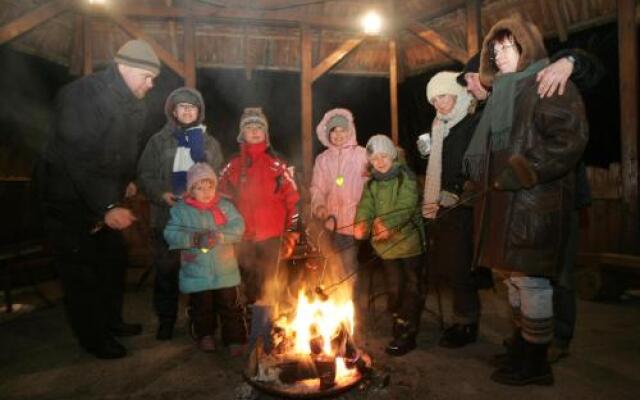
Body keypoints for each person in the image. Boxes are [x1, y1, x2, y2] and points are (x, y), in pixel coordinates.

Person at [463, 17, 588, 385]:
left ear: (526, 47)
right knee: (514, 283)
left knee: (533, 284)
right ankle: (521, 346)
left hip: (533, 202)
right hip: (503, 205)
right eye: (495, 50)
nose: (500, 56)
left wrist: (526, 170)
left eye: (508, 48)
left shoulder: (548, 84)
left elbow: (569, 139)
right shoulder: (505, 93)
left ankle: (537, 362)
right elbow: (493, 150)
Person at [38, 39, 160, 359]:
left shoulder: (134, 104)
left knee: (111, 263)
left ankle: (112, 322)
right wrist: (107, 205)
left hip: (104, 198)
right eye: (147, 76)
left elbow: (119, 153)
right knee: (82, 274)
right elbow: (78, 156)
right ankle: (93, 338)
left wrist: (126, 183)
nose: (151, 84)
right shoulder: (83, 95)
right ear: (126, 67)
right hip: (68, 202)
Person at [137, 87, 224, 341]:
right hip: (167, 217)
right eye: (182, 106)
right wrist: (161, 194)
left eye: (192, 107)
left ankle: (201, 323)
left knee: (200, 274)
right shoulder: (158, 141)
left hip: (200, 220)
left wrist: (204, 197)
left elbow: (218, 176)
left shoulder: (209, 143)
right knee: (166, 273)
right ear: (173, 111)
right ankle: (166, 320)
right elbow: (145, 175)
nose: (187, 110)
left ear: (199, 112)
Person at [419, 71, 480, 348]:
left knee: (461, 267)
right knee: (451, 266)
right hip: (444, 205)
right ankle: (461, 319)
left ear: (456, 93)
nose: (439, 104)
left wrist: (457, 190)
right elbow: (438, 165)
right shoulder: (440, 126)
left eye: (442, 96)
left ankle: (467, 324)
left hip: (465, 207)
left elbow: (477, 165)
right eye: (433, 100)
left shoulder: (471, 122)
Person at [218, 107, 300, 308]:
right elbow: (220, 200)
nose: (254, 131)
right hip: (243, 238)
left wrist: (292, 232)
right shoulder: (232, 165)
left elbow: (294, 201)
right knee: (249, 287)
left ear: (266, 133)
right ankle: (252, 330)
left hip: (273, 237)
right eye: (249, 127)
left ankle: (278, 330)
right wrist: (225, 231)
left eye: (259, 127)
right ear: (242, 134)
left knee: (274, 285)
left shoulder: (278, 163)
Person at [163, 163, 247, 353]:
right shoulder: (181, 210)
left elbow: (238, 225)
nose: (206, 191)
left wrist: (222, 236)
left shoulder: (224, 206)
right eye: (200, 188)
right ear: (191, 190)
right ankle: (205, 335)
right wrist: (193, 239)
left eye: (210, 186)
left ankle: (234, 338)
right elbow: (171, 233)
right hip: (196, 271)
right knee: (202, 307)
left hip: (225, 269)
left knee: (230, 307)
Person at [354, 135, 425, 357]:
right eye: (374, 158)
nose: (380, 162)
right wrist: (362, 224)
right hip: (386, 248)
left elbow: (407, 206)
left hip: (409, 244)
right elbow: (365, 206)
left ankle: (407, 333)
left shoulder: (406, 178)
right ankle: (399, 321)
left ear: (392, 155)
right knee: (395, 288)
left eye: (384, 156)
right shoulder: (372, 184)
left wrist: (389, 226)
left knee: (412, 287)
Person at [310, 108, 369, 303]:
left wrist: (368, 214)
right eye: (333, 131)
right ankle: (337, 306)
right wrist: (319, 206)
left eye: (342, 130)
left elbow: (372, 186)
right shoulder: (323, 159)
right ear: (328, 134)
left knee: (348, 264)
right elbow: (317, 188)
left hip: (356, 221)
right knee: (333, 265)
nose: (338, 135)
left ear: (350, 131)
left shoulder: (362, 155)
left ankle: (351, 308)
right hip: (331, 222)